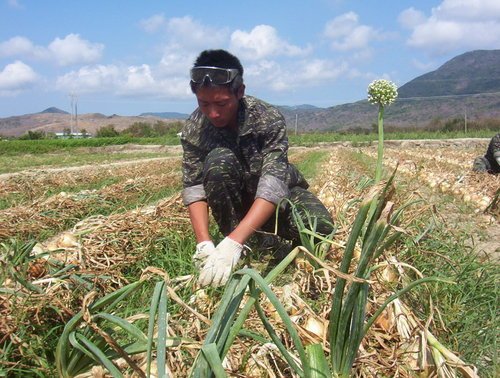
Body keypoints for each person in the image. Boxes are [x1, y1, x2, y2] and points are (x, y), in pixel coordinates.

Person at [180, 49, 334, 288]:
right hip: (236, 199)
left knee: (320, 227)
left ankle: (244, 242)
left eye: (221, 103)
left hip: (277, 198)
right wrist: (204, 244)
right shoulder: (194, 128)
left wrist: (234, 243)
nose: (213, 112)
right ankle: (242, 246)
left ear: (240, 92)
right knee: (219, 161)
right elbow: (194, 186)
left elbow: (273, 184)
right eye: (204, 103)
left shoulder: (266, 118)